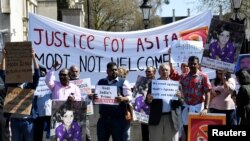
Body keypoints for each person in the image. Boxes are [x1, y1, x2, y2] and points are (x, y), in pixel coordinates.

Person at [0, 48, 40, 141]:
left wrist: (33, 57)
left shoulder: (29, 86)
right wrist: (4, 57)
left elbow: (37, 75)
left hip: (28, 122)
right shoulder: (10, 85)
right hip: (15, 122)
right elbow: (2, 73)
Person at [95, 62, 132, 141]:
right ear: (107, 71)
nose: (114, 72)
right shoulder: (100, 82)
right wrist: (93, 96)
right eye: (112, 70)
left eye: (115, 70)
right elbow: (95, 97)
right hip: (103, 120)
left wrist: (123, 99)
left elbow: (130, 97)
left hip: (118, 120)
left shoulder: (123, 82)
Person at [179, 56, 212, 141]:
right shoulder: (183, 77)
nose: (193, 65)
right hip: (186, 107)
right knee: (187, 131)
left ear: (198, 65)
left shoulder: (203, 76)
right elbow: (178, 89)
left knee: (198, 132)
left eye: (195, 63)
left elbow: (207, 92)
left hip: (198, 108)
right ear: (188, 64)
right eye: (191, 63)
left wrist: (205, 108)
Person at [146, 63, 181, 141]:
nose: (164, 71)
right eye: (162, 70)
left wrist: (179, 98)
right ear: (159, 72)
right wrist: (149, 99)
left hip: (171, 118)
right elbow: (147, 102)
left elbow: (181, 103)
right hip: (156, 118)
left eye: (166, 70)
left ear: (170, 71)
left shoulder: (176, 85)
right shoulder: (153, 84)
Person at [69, 65, 92, 141]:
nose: (74, 73)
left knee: (87, 135)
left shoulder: (85, 84)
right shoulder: (66, 84)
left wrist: (90, 96)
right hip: (71, 114)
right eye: (73, 71)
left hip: (84, 112)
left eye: (76, 71)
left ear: (79, 73)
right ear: (69, 73)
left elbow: (88, 99)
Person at [33, 65, 52, 141]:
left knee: (48, 134)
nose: (41, 72)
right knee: (38, 134)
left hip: (48, 112)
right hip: (37, 114)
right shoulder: (33, 83)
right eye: (40, 70)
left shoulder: (50, 83)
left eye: (43, 70)